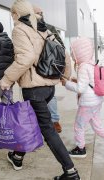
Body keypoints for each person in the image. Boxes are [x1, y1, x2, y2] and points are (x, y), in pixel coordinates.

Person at [0, 0, 80, 179]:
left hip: (34, 89)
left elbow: (26, 58)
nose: (12, 18)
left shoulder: (20, 28)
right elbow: (64, 54)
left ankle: (70, 172)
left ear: (16, 14)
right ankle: (18, 156)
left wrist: (7, 79)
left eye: (12, 15)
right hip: (48, 87)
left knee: (47, 129)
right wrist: (63, 76)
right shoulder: (44, 28)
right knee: (32, 122)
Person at [61, 37, 104, 162]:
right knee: (98, 127)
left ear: (79, 53)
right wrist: (76, 81)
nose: (71, 55)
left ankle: (80, 149)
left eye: (73, 52)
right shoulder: (92, 64)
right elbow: (88, 82)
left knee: (79, 126)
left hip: (88, 103)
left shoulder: (83, 67)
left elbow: (81, 88)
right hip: (96, 100)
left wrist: (66, 83)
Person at [33, 5, 63, 133]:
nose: (41, 14)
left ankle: (55, 120)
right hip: (34, 66)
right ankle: (38, 122)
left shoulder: (49, 28)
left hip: (48, 66)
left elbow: (61, 46)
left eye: (41, 12)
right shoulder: (27, 28)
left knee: (50, 95)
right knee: (36, 96)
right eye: (38, 12)